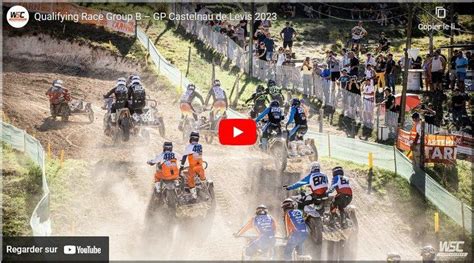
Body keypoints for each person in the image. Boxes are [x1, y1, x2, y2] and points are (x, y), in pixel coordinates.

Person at [180, 131, 206, 200]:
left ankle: (194, 196)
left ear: (191, 139)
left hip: (193, 167)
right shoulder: (200, 146)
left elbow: (184, 157)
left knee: (190, 179)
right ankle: (204, 185)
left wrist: (181, 166)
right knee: (201, 177)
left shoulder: (189, 147)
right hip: (200, 166)